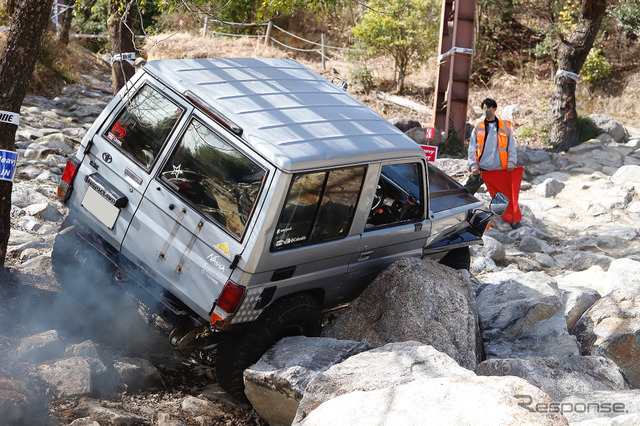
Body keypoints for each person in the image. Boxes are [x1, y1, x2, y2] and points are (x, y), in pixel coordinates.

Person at [464, 98, 517, 194]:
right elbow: (472, 149)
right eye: (484, 108)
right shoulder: (478, 127)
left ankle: (497, 210)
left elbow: (511, 146)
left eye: (489, 108)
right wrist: (473, 166)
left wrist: (511, 162)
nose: (486, 110)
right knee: (466, 193)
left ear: (495, 109)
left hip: (499, 169)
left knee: (502, 196)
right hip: (480, 169)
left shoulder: (505, 126)